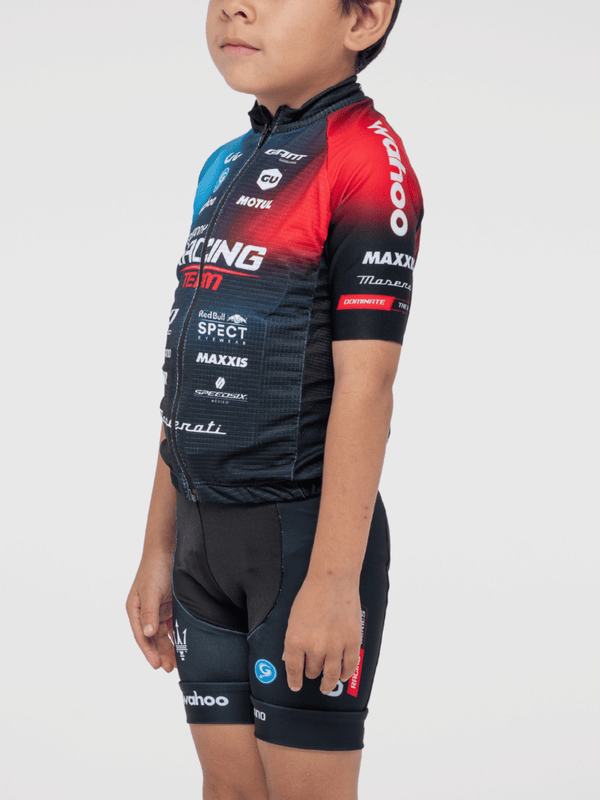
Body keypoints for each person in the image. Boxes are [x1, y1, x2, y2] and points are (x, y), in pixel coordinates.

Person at [126, 1, 423, 798]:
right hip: (201, 546)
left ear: (364, 18)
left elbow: (368, 384)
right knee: (227, 790)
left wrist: (334, 580)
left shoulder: (367, 159)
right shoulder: (223, 164)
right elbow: (185, 369)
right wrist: (157, 547)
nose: (235, 5)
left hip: (300, 546)